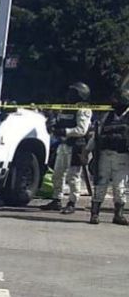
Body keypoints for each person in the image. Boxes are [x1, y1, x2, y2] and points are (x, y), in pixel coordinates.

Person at [41, 82, 93, 214]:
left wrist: (65, 131)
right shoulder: (66, 108)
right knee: (57, 174)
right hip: (63, 145)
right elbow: (58, 122)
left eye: (73, 93)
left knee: (73, 177)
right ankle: (57, 199)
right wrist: (52, 126)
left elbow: (82, 129)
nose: (69, 95)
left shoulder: (84, 110)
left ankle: (72, 202)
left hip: (76, 146)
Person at [89, 88, 129, 225]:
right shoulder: (107, 116)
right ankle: (94, 214)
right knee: (100, 184)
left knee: (120, 187)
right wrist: (86, 151)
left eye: (116, 100)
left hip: (122, 157)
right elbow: (96, 135)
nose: (113, 102)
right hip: (104, 155)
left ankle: (119, 215)